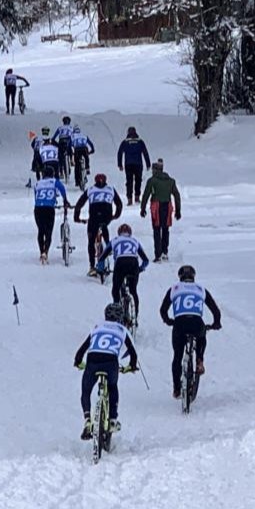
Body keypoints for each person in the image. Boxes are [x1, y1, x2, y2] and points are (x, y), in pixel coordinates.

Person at [73, 303, 140, 440]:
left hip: (92, 360)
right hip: (111, 362)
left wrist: (78, 361)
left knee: (86, 391)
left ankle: (87, 420)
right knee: (112, 387)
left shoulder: (97, 328)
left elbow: (82, 348)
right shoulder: (122, 330)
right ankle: (113, 419)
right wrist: (131, 366)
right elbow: (133, 353)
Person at [159, 265, 221, 399]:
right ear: (193, 277)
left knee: (177, 357)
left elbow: (163, 309)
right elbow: (215, 309)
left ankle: (176, 389)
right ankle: (199, 359)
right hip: (196, 323)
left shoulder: (174, 289)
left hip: (179, 324)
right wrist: (216, 323)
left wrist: (168, 320)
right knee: (201, 335)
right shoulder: (201, 289)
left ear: (180, 277)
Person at [73, 173, 123, 276]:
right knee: (104, 224)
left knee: (91, 242)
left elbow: (79, 205)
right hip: (107, 216)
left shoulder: (90, 189)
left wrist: (76, 218)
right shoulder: (111, 189)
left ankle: (92, 266)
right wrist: (116, 215)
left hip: (94, 217)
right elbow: (119, 204)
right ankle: (108, 244)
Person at [98, 223, 150, 321]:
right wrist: (140, 269)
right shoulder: (135, 241)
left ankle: (117, 311)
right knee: (133, 290)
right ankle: (136, 315)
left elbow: (102, 258)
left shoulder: (115, 240)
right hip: (133, 263)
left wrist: (100, 269)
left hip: (120, 263)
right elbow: (146, 260)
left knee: (115, 289)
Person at [139, 158, 181, 262]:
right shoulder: (171, 181)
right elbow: (176, 195)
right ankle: (165, 252)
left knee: (156, 230)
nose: (152, 171)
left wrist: (142, 208)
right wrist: (178, 210)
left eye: (153, 170)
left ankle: (157, 255)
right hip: (167, 206)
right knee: (166, 229)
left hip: (156, 207)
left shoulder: (152, 181)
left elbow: (146, 195)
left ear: (155, 170)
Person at [33, 171, 69, 264]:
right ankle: (46, 252)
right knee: (49, 231)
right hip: (49, 208)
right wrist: (65, 201)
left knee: (41, 231)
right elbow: (62, 189)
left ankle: (41, 251)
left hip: (38, 208)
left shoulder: (38, 183)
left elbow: (35, 195)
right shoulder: (54, 181)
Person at [117, 127, 152, 205]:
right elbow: (145, 152)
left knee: (129, 181)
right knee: (138, 181)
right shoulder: (140, 142)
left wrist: (120, 164)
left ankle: (129, 199)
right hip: (138, 164)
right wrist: (148, 164)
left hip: (128, 164)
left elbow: (120, 153)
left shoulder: (125, 142)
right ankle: (137, 197)